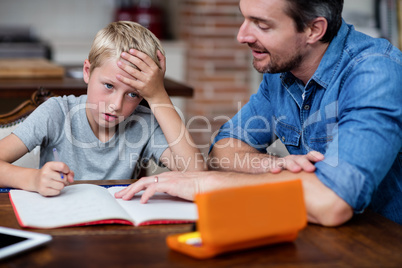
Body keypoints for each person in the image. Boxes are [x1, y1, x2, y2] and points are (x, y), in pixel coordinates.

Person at [115, 0, 402, 227]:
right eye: (244, 17)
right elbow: (224, 150)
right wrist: (278, 166)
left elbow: (332, 203)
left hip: (381, 245)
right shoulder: (282, 71)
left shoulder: (376, 72)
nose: (242, 35)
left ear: (314, 30)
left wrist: (207, 183)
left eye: (262, 25)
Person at [0, 21, 205, 197]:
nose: (116, 105)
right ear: (87, 72)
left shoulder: (143, 122)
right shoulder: (57, 113)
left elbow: (197, 176)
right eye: (108, 86)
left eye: (133, 94)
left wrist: (159, 95)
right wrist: (33, 179)